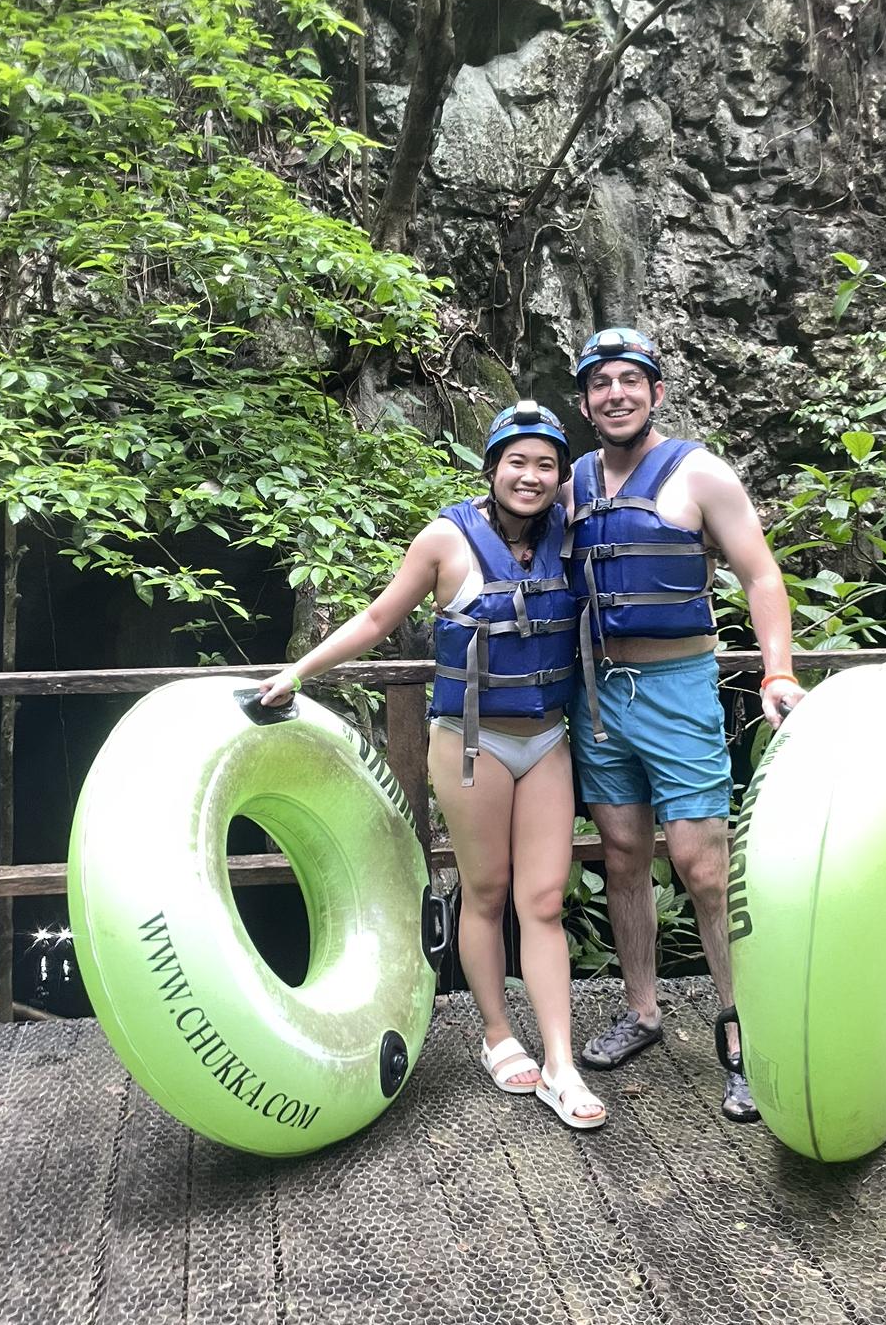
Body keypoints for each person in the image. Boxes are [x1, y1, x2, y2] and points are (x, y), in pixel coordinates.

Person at [256, 402, 607, 1130]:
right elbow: (379, 618)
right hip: (472, 741)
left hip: (547, 738)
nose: (531, 477)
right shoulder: (447, 539)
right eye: (517, 461)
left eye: (547, 464)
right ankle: (496, 1033)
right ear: (492, 467)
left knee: (542, 902)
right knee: (486, 893)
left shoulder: (567, 535)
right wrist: (301, 671)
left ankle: (562, 1063)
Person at [562, 327, 806, 1121]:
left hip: (678, 688)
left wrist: (777, 670)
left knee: (704, 865)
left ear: (656, 392)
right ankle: (642, 1011)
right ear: (587, 400)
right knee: (624, 854)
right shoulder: (572, 482)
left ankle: (740, 1028)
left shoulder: (699, 473)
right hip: (598, 695)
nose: (616, 394)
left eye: (631, 380)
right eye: (601, 383)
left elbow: (760, 574)